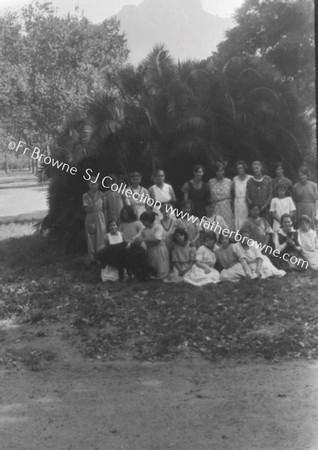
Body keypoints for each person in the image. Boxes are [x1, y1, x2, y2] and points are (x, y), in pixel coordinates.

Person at [135, 211, 170, 279]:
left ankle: (161, 274)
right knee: (152, 266)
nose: (143, 223)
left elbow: (157, 240)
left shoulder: (158, 227)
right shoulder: (144, 229)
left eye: (143, 221)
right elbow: (137, 237)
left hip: (159, 250)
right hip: (150, 250)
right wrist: (132, 241)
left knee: (160, 267)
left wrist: (143, 239)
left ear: (148, 220)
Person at [82, 176, 107, 262]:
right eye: (91, 184)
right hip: (91, 217)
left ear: (98, 184)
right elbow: (88, 209)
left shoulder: (102, 195)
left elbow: (105, 208)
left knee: (101, 236)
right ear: (88, 185)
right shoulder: (85, 196)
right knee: (91, 237)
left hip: (100, 216)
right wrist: (95, 199)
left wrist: (106, 219)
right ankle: (93, 259)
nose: (93, 186)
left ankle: (101, 258)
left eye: (95, 184)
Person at [208, 162, 234, 230]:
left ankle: (228, 239)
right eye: (218, 171)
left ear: (224, 171)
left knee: (228, 224)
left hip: (226, 206)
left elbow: (233, 195)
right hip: (215, 206)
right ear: (215, 172)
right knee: (216, 224)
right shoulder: (211, 182)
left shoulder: (229, 182)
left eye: (221, 170)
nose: (219, 173)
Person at [232, 160, 252, 230]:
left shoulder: (250, 178)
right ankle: (239, 238)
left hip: (246, 202)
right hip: (237, 202)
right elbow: (233, 192)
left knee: (246, 220)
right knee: (238, 222)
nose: (240, 170)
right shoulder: (235, 179)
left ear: (244, 168)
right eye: (238, 168)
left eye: (241, 168)